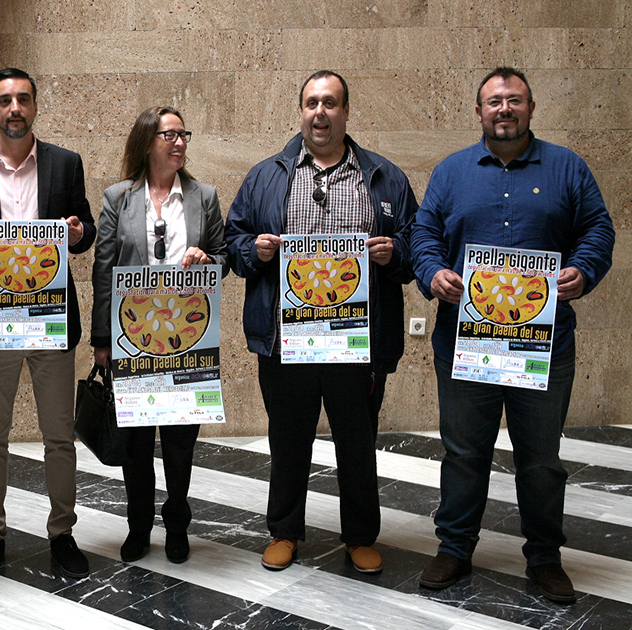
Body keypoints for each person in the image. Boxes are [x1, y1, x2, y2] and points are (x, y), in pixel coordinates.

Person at [411, 67, 615, 604]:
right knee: (463, 452)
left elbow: (598, 229)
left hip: (542, 346)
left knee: (541, 458)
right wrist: (432, 272)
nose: (505, 109)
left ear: (530, 108)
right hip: (467, 343)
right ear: (479, 111)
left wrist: (584, 270)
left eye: (515, 100)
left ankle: (545, 557)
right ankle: (454, 547)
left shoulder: (568, 167)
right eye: (494, 101)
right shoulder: (452, 171)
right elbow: (423, 233)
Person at [224, 70, 418, 574]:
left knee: (357, 442)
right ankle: (284, 531)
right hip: (287, 341)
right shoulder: (266, 176)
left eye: (330, 103)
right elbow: (233, 241)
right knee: (288, 440)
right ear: (301, 111)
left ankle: (360, 536)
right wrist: (254, 250)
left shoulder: (385, 177)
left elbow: (417, 247)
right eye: (312, 102)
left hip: (357, 342)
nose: (320, 112)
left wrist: (394, 253)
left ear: (346, 112)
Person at [0, 67, 96, 580]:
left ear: (35, 106)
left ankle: (62, 533)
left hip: (51, 320)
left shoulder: (65, 163)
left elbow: (86, 227)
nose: (15, 108)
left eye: (23, 99)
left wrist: (76, 233)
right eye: (5, 100)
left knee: (59, 436)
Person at [91, 106, 229, 564]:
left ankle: (177, 523)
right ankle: (138, 526)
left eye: (183, 134)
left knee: (179, 440)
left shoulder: (204, 196)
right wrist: (102, 340)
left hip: (187, 336)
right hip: (133, 336)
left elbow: (224, 256)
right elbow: (104, 271)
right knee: (135, 441)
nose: (179, 142)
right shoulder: (117, 197)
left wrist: (208, 260)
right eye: (169, 134)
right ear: (147, 141)